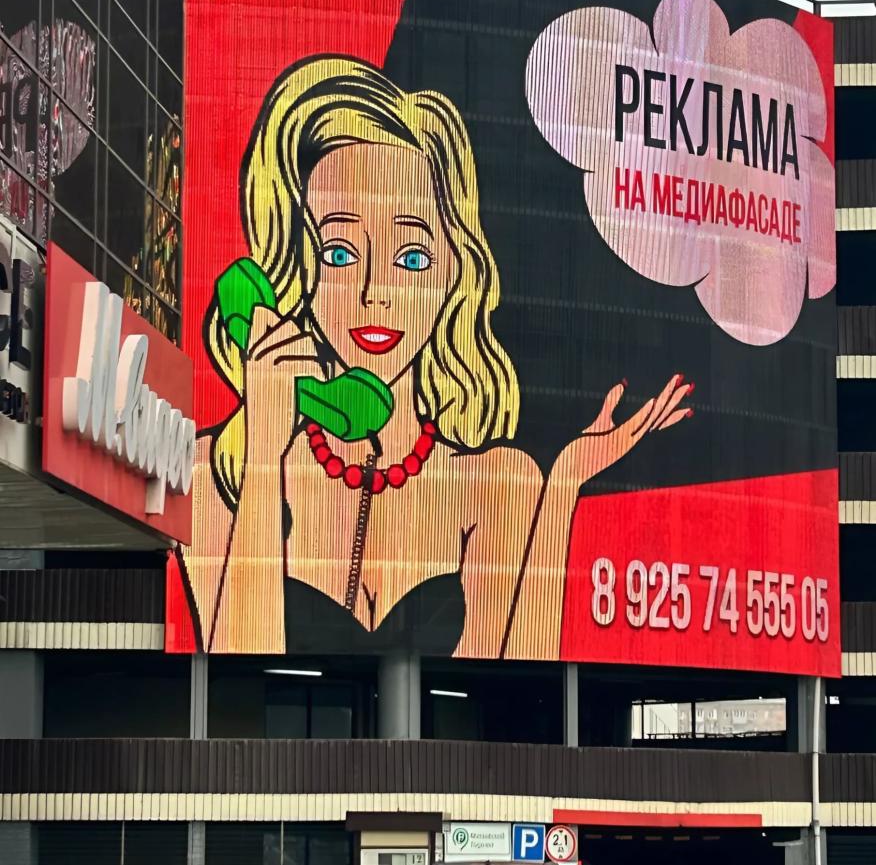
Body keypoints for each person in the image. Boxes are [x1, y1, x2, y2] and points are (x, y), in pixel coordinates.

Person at [183, 56, 692, 657]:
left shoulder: (497, 486)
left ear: (455, 269)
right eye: (340, 252)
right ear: (297, 263)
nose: (375, 293)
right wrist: (265, 454)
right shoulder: (211, 472)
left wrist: (561, 489)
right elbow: (232, 674)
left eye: (412, 258)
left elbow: (512, 682)